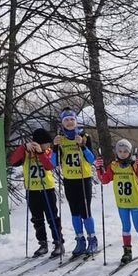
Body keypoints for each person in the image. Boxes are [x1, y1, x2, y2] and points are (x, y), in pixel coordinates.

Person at [95, 139, 138, 264]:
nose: (122, 153)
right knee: (126, 227)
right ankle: (127, 251)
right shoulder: (113, 166)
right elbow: (104, 180)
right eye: (120, 151)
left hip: (134, 202)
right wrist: (99, 168)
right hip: (122, 203)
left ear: (130, 152)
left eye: (125, 151)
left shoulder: (134, 165)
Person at [9, 128, 64, 258]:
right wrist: (24, 148)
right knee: (37, 219)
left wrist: (40, 153)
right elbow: (13, 161)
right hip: (32, 190)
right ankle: (43, 243)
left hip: (47, 188)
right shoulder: (27, 153)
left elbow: (50, 165)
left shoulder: (48, 152)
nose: (48, 146)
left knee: (52, 217)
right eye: (45, 143)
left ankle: (58, 242)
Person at [53, 108, 98, 256]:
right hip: (69, 180)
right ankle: (80, 240)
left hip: (83, 179)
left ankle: (92, 239)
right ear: (62, 123)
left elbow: (92, 160)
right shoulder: (60, 139)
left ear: (76, 121)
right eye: (66, 120)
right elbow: (53, 163)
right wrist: (54, 147)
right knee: (75, 212)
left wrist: (83, 146)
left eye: (72, 119)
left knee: (86, 211)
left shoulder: (84, 136)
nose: (69, 122)